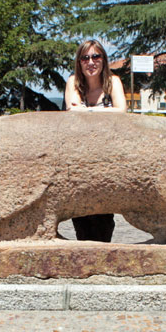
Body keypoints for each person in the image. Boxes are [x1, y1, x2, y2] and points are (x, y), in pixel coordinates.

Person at [63, 39, 127, 242]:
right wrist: (105, 112)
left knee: (104, 219)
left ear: (103, 59)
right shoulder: (73, 82)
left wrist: (88, 110)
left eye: (96, 57)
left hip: (106, 161)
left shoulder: (113, 82)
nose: (91, 62)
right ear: (79, 62)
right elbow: (72, 112)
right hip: (79, 162)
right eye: (85, 58)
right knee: (81, 219)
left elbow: (122, 112)